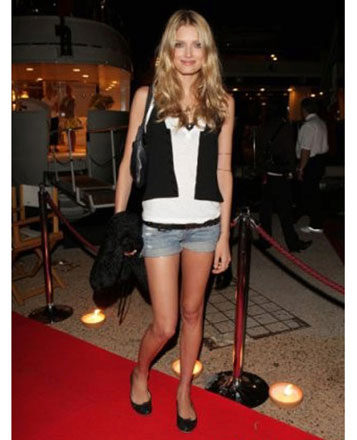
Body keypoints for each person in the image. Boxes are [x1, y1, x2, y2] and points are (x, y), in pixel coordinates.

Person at [114, 10, 234, 432]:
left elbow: (224, 171)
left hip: (204, 225)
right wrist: (118, 222)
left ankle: (184, 390)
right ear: (168, 49)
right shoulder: (147, 97)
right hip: (159, 226)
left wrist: (223, 235)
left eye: (196, 44)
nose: (188, 52)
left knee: (193, 312)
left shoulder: (222, 102)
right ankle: (140, 372)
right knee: (165, 324)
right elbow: (128, 162)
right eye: (179, 44)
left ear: (207, 51)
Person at [255, 100, 312, 252]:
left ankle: (265, 240)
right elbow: (289, 151)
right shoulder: (285, 127)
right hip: (280, 174)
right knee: (285, 211)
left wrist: (261, 169)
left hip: (267, 174)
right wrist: (292, 170)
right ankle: (292, 243)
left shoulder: (263, 127)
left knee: (265, 211)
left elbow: (258, 151)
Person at [295, 98, 329, 233]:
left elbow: (306, 150)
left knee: (310, 193)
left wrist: (301, 168)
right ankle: (315, 220)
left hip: (311, 162)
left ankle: (316, 224)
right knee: (313, 192)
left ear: (304, 109)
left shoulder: (308, 125)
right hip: (320, 160)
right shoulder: (321, 122)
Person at [42, 82, 59, 150]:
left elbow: (56, 108)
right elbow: (44, 109)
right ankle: (48, 146)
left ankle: (55, 146)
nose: (49, 92)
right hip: (48, 118)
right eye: (48, 90)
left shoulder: (54, 99)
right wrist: (51, 108)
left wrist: (51, 108)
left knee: (55, 132)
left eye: (50, 90)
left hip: (54, 117)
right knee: (48, 132)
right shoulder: (43, 100)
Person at [59, 85, 76, 151]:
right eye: (67, 90)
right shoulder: (64, 99)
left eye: (69, 90)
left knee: (72, 133)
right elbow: (61, 107)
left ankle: (72, 147)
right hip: (66, 117)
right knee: (67, 132)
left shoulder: (73, 99)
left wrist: (64, 108)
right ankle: (69, 147)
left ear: (71, 91)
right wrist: (64, 109)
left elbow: (70, 109)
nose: (68, 91)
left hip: (71, 118)